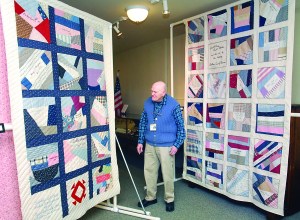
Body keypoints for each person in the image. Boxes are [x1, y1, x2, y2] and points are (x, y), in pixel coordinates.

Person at [136, 81, 185, 212]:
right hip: (150, 144)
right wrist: (140, 141)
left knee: (167, 174)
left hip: (167, 146)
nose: (151, 94)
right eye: (151, 91)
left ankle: (169, 199)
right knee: (149, 172)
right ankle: (150, 197)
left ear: (163, 93)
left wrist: (176, 145)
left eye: (155, 92)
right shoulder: (147, 103)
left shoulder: (173, 105)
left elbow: (181, 127)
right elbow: (143, 123)